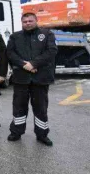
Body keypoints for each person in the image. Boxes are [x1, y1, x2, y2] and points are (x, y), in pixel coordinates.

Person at [7, 13, 58, 146]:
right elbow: (10, 54)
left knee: (41, 109)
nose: (27, 23)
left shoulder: (47, 35)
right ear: (22, 23)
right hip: (21, 79)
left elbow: (51, 51)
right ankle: (16, 132)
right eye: (25, 21)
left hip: (40, 79)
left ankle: (42, 135)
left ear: (36, 21)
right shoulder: (15, 37)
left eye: (30, 21)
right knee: (19, 108)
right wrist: (25, 65)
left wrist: (34, 64)